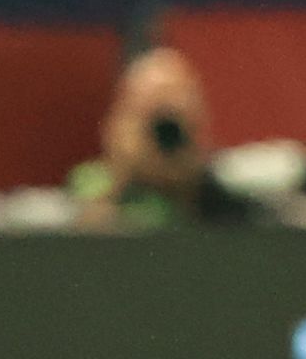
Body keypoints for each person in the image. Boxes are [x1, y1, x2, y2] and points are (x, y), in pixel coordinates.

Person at [69, 49, 261, 230]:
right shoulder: (92, 181)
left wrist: (191, 181)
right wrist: (124, 172)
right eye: (151, 104)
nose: (165, 132)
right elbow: (84, 238)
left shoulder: (224, 185)